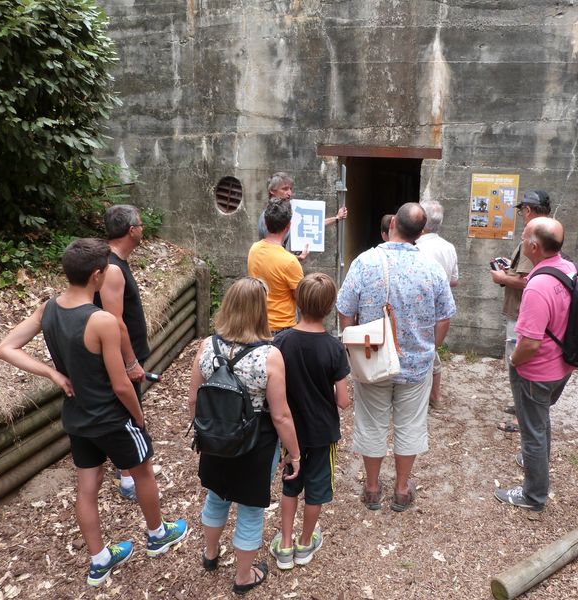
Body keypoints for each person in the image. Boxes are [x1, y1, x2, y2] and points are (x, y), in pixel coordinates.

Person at [0, 239, 188, 587]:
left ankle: (99, 560)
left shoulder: (48, 309)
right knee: (142, 471)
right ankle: (158, 535)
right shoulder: (101, 321)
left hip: (78, 417)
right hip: (112, 418)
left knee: (87, 486)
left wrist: (51, 373)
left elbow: (5, 347)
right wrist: (139, 418)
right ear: (97, 275)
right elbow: (121, 384)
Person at [337, 203, 456, 512]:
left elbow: (345, 309)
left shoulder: (365, 262)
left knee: (372, 423)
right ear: (420, 233)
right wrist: (432, 346)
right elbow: (445, 317)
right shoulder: (432, 269)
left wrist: (353, 344)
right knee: (410, 425)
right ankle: (402, 490)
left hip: (372, 359)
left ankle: (373, 488)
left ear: (392, 227)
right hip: (416, 365)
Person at [187, 277, 301, 595]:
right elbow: (280, 414)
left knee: (216, 496)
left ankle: (210, 555)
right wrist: (295, 452)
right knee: (250, 509)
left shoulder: (207, 346)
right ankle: (243, 576)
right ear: (260, 312)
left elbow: (193, 398)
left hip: (215, 437)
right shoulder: (269, 356)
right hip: (255, 443)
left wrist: (204, 431)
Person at [269, 273, 351, 570]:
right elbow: (342, 400)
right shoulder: (333, 347)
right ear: (330, 307)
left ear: (298, 302)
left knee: (291, 485)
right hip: (323, 433)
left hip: (290, 433)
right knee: (316, 490)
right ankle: (305, 544)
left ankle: (286, 543)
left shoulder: (281, 341)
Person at [494, 217, 576, 512]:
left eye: (524, 235)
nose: (521, 238)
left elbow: (528, 343)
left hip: (536, 371)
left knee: (532, 432)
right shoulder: (566, 268)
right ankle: (536, 459)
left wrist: (514, 362)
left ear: (534, 245)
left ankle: (533, 495)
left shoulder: (538, 287)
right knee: (540, 422)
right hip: (561, 366)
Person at [93, 204, 153, 500]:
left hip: (127, 355)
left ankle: (127, 469)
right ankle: (129, 475)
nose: (142, 229)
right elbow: (114, 321)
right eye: (140, 224)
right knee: (129, 412)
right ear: (132, 231)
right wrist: (130, 362)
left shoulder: (113, 262)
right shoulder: (113, 268)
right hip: (122, 359)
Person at [490, 190, 551, 433]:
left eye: (521, 211)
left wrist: (501, 277)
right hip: (526, 312)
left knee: (519, 363)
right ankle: (520, 408)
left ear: (527, 210)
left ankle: (521, 418)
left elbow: (528, 281)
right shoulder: (549, 231)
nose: (521, 216)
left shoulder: (534, 235)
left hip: (522, 313)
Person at [415, 200, 459, 410]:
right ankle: (435, 395)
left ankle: (422, 395)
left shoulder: (416, 247)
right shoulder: (448, 247)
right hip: (440, 309)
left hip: (418, 309)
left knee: (418, 349)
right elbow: (454, 280)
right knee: (433, 350)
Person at [257, 172, 348, 261]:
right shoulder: (268, 216)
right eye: (284, 189)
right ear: (272, 191)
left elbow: (312, 224)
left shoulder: (287, 210)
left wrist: (337, 218)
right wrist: (296, 259)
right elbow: (272, 253)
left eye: (290, 189)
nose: (289, 193)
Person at [248, 200, 304, 335]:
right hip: (282, 328)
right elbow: (301, 298)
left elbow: (273, 265)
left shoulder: (254, 249)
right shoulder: (290, 262)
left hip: (257, 324)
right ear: (289, 226)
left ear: (266, 224)